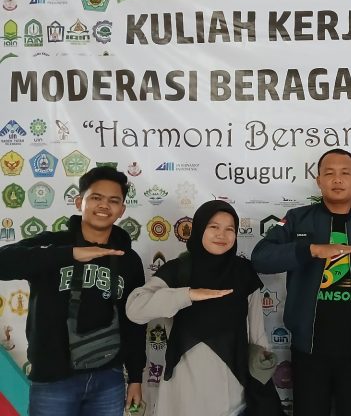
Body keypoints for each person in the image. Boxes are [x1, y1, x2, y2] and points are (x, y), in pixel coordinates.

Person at [250, 148, 351, 416]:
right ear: (318, 180)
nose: (337, 179)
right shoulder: (297, 219)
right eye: (329, 173)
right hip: (309, 350)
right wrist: (311, 250)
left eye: (345, 173)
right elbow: (261, 257)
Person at [0, 166, 146, 416]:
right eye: (96, 197)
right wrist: (70, 253)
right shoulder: (52, 244)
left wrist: (135, 377)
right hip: (53, 378)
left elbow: (134, 321)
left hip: (108, 377)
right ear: (80, 202)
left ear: (122, 210)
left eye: (114, 200)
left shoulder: (128, 259)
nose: (104, 205)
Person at [126, 200, 280, 416]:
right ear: (199, 229)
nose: (221, 235)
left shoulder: (243, 273)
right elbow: (135, 309)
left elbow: (257, 334)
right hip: (183, 394)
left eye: (230, 229)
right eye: (213, 226)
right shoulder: (178, 270)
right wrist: (188, 294)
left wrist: (262, 373)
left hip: (233, 393)